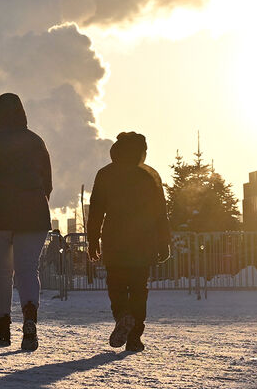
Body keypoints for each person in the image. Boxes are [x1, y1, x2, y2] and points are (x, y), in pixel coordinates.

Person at [0, 93, 52, 351]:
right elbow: (47, 182)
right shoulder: (36, 141)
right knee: (28, 270)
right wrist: (36, 203)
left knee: (1, 272)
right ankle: (30, 322)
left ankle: (3, 330)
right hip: (34, 215)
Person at [86, 132, 171, 353]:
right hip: (143, 241)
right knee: (139, 290)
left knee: (116, 286)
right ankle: (135, 337)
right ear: (140, 151)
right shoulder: (149, 175)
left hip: (114, 240)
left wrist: (93, 240)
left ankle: (123, 315)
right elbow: (160, 212)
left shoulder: (105, 174)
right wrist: (164, 242)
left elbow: (96, 210)